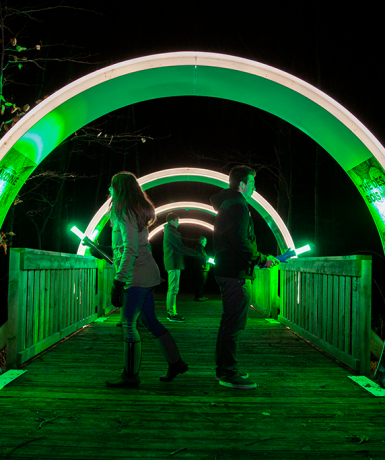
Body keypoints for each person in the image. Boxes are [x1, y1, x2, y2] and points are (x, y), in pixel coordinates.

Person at [106, 172, 188, 388]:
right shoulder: (136, 211)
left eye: (112, 186)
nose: (109, 190)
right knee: (149, 321)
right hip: (147, 273)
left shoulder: (124, 212)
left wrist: (118, 280)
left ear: (120, 188)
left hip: (136, 276)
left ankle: (130, 376)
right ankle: (176, 362)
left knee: (128, 324)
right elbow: (133, 244)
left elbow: (130, 248)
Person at [210, 165, 279, 390]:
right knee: (234, 325)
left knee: (228, 322)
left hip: (226, 270)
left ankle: (224, 368)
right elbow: (241, 241)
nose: (255, 187)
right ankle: (228, 373)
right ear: (242, 184)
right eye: (252, 183)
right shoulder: (238, 205)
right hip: (234, 273)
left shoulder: (228, 204)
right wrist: (262, 259)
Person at [163, 212, 199, 322]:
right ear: (172, 221)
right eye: (177, 221)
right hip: (173, 263)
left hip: (173, 262)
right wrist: (196, 253)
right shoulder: (171, 232)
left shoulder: (169, 231)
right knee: (173, 289)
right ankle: (171, 314)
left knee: (173, 289)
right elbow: (180, 247)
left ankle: (172, 312)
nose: (178, 223)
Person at [193, 236, 210, 302]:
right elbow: (202, 258)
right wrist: (208, 260)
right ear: (202, 241)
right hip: (201, 268)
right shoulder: (199, 248)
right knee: (200, 282)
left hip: (202, 268)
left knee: (201, 282)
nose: (206, 243)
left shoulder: (200, 248)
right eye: (205, 241)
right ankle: (198, 296)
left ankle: (200, 296)